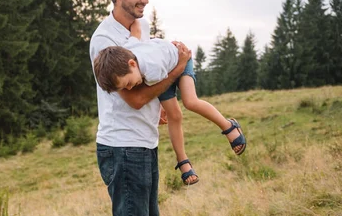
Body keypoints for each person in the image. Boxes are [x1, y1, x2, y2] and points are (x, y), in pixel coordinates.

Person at [89, 0, 191, 216]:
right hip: (122, 148)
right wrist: (177, 70)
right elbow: (133, 99)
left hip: (145, 144)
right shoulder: (104, 41)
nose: (144, 0)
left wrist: (160, 104)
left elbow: (147, 74)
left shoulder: (140, 27)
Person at [93, 21, 247, 186]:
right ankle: (183, 161)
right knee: (175, 115)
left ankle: (229, 126)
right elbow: (135, 32)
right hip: (165, 71)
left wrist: (179, 67)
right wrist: (133, 21)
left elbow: (164, 81)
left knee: (190, 102)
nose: (130, 88)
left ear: (132, 64)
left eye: (129, 83)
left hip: (180, 60)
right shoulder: (129, 52)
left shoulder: (152, 69)